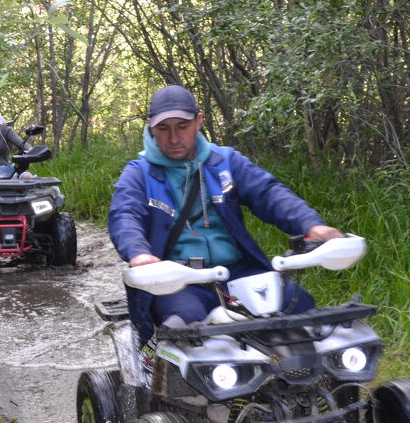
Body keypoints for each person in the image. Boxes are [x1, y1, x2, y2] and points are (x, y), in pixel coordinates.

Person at [108, 84, 344, 345]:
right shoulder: (138, 173)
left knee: (296, 303)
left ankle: (305, 377)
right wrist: (139, 253)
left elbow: (269, 194)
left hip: (237, 272)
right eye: (164, 128)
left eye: (182, 126)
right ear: (151, 126)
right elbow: (124, 214)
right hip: (176, 281)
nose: (173, 138)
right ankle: (167, 375)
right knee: (184, 323)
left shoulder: (226, 162)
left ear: (198, 122)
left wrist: (312, 226)